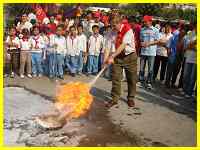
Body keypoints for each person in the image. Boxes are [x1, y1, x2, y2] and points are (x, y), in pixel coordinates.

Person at [105, 15, 137, 108]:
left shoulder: (128, 30)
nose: (112, 28)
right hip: (118, 58)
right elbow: (107, 47)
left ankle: (130, 98)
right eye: (111, 25)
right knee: (115, 78)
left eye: (114, 26)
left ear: (119, 23)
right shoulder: (111, 32)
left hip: (129, 57)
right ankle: (114, 98)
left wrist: (112, 56)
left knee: (131, 79)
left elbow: (123, 45)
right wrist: (105, 60)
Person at [138, 15, 160, 89]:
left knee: (150, 68)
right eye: (144, 21)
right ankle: (141, 80)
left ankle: (149, 82)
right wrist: (142, 43)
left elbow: (157, 41)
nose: (144, 23)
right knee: (141, 67)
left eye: (145, 21)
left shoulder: (155, 30)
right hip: (143, 52)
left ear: (150, 21)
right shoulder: (142, 30)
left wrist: (149, 43)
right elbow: (141, 40)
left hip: (151, 52)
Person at [182, 23, 196, 98]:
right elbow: (186, 46)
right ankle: (185, 90)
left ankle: (189, 93)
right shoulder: (191, 33)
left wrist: (191, 46)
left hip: (196, 60)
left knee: (192, 78)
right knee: (186, 76)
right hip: (188, 58)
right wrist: (193, 45)